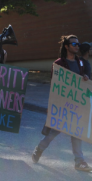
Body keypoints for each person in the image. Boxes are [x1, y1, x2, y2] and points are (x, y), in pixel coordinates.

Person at [32, 35, 92, 172]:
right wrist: (50, 105)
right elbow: (55, 86)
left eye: (78, 44)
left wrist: (85, 78)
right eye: (74, 44)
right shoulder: (59, 63)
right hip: (62, 105)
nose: (77, 46)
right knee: (54, 131)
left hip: (77, 105)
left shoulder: (81, 63)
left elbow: (84, 81)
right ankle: (39, 149)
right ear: (66, 46)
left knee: (77, 132)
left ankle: (79, 161)